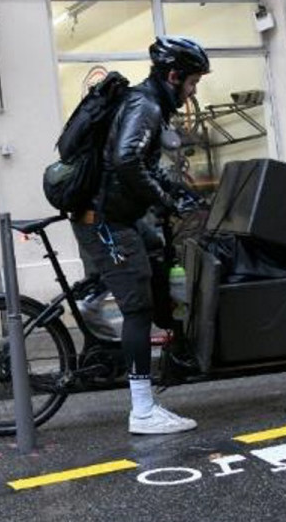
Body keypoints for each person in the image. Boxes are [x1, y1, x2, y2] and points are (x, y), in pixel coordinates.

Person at [71, 35, 209, 435]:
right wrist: (165, 200)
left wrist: (179, 189)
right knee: (137, 309)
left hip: (117, 217)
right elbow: (127, 159)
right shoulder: (145, 105)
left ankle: (96, 295)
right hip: (105, 221)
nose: (193, 91)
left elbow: (140, 161)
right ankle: (143, 410)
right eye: (191, 82)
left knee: (154, 253)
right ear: (173, 75)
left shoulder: (146, 104)